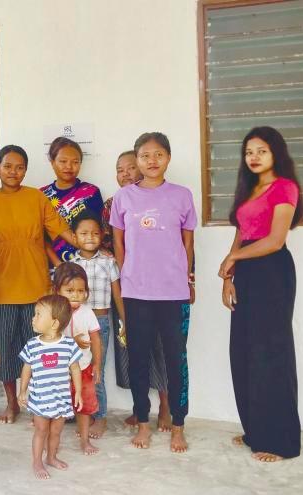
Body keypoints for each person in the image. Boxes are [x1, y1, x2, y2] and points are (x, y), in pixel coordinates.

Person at [0, 145, 78, 424]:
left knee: (41, 351)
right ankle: (11, 403)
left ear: (26, 170)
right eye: (7, 166)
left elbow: (59, 228)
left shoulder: (36, 197)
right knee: (6, 351)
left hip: (36, 288)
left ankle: (39, 405)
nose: (13, 172)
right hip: (0, 288)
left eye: (19, 167)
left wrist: (84, 243)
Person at [219, 126, 303, 462]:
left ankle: (281, 441)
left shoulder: (285, 187)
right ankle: (256, 429)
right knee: (243, 351)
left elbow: (275, 240)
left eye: (261, 151)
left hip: (273, 272)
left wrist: (234, 258)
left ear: (275, 154)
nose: (253, 157)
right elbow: (242, 235)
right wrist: (229, 276)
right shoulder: (249, 188)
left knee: (271, 354)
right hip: (248, 273)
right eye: (248, 152)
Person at [110, 132, 196, 453]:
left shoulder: (182, 195)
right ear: (137, 161)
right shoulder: (124, 198)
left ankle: (178, 426)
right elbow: (118, 242)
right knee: (139, 360)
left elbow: (188, 243)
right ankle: (143, 423)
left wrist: (189, 280)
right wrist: (128, 272)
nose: (152, 161)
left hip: (173, 292)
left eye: (158, 154)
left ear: (168, 158)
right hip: (136, 291)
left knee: (176, 360)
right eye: (145, 156)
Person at [102, 150, 171, 431]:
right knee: (129, 346)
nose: (126, 174)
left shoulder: (165, 198)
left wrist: (189, 279)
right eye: (120, 170)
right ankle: (139, 407)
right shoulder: (111, 204)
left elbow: (180, 242)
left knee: (161, 347)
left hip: (161, 287)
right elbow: (106, 243)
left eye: (131, 168)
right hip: (125, 287)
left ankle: (166, 408)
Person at [71, 211, 126, 439]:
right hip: (76, 324)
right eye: (83, 233)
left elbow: (117, 295)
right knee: (75, 369)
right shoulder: (71, 264)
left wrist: (124, 321)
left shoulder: (109, 262)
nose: (90, 237)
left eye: (95, 233)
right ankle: (80, 413)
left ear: (102, 235)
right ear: (74, 237)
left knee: (96, 371)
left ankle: (100, 416)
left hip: (100, 323)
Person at [18, 294, 83, 480]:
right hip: (41, 398)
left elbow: (75, 369)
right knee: (41, 431)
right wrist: (22, 390)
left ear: (54, 323)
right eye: (34, 314)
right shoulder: (32, 345)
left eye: (38, 314)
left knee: (56, 431)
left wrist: (77, 392)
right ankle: (37, 461)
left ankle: (51, 457)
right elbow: (26, 369)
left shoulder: (69, 344)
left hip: (61, 399)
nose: (33, 318)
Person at [52, 262, 102, 455]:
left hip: (83, 368)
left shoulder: (87, 313)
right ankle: (52, 443)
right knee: (57, 407)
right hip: (58, 371)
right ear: (57, 290)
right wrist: (73, 341)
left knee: (85, 407)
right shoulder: (54, 312)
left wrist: (97, 363)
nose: (75, 295)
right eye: (69, 290)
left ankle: (85, 440)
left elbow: (96, 339)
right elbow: (47, 336)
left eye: (80, 291)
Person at [41, 136, 104, 265]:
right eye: (63, 161)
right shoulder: (41, 195)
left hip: (89, 264)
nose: (69, 166)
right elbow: (40, 238)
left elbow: (100, 231)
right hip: (55, 267)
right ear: (52, 162)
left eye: (75, 162)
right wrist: (58, 265)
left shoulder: (91, 192)